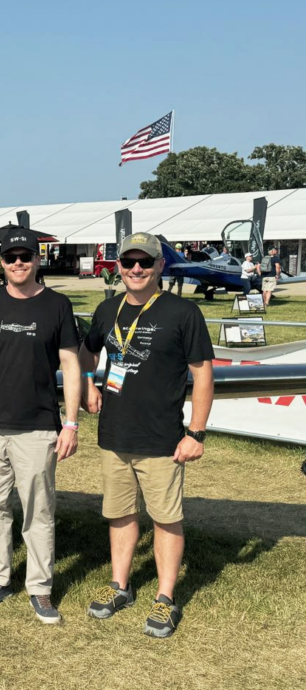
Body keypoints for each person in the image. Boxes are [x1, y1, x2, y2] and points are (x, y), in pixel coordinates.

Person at [79, 232, 214, 639]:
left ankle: (165, 598)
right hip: (115, 433)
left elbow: (203, 375)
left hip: (162, 438)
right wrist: (89, 383)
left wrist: (197, 433)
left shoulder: (183, 312)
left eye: (144, 262)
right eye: (128, 262)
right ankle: (120, 586)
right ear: (118, 267)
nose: (135, 269)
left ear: (160, 267)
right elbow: (88, 351)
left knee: (165, 518)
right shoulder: (106, 310)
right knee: (119, 514)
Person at [0, 227, 81, 625]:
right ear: (2, 262)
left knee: (38, 510)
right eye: (10, 257)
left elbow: (71, 366)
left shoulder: (58, 306)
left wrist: (72, 424)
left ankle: (40, 588)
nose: (18, 263)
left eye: (25, 256)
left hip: (39, 426)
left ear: (37, 259)